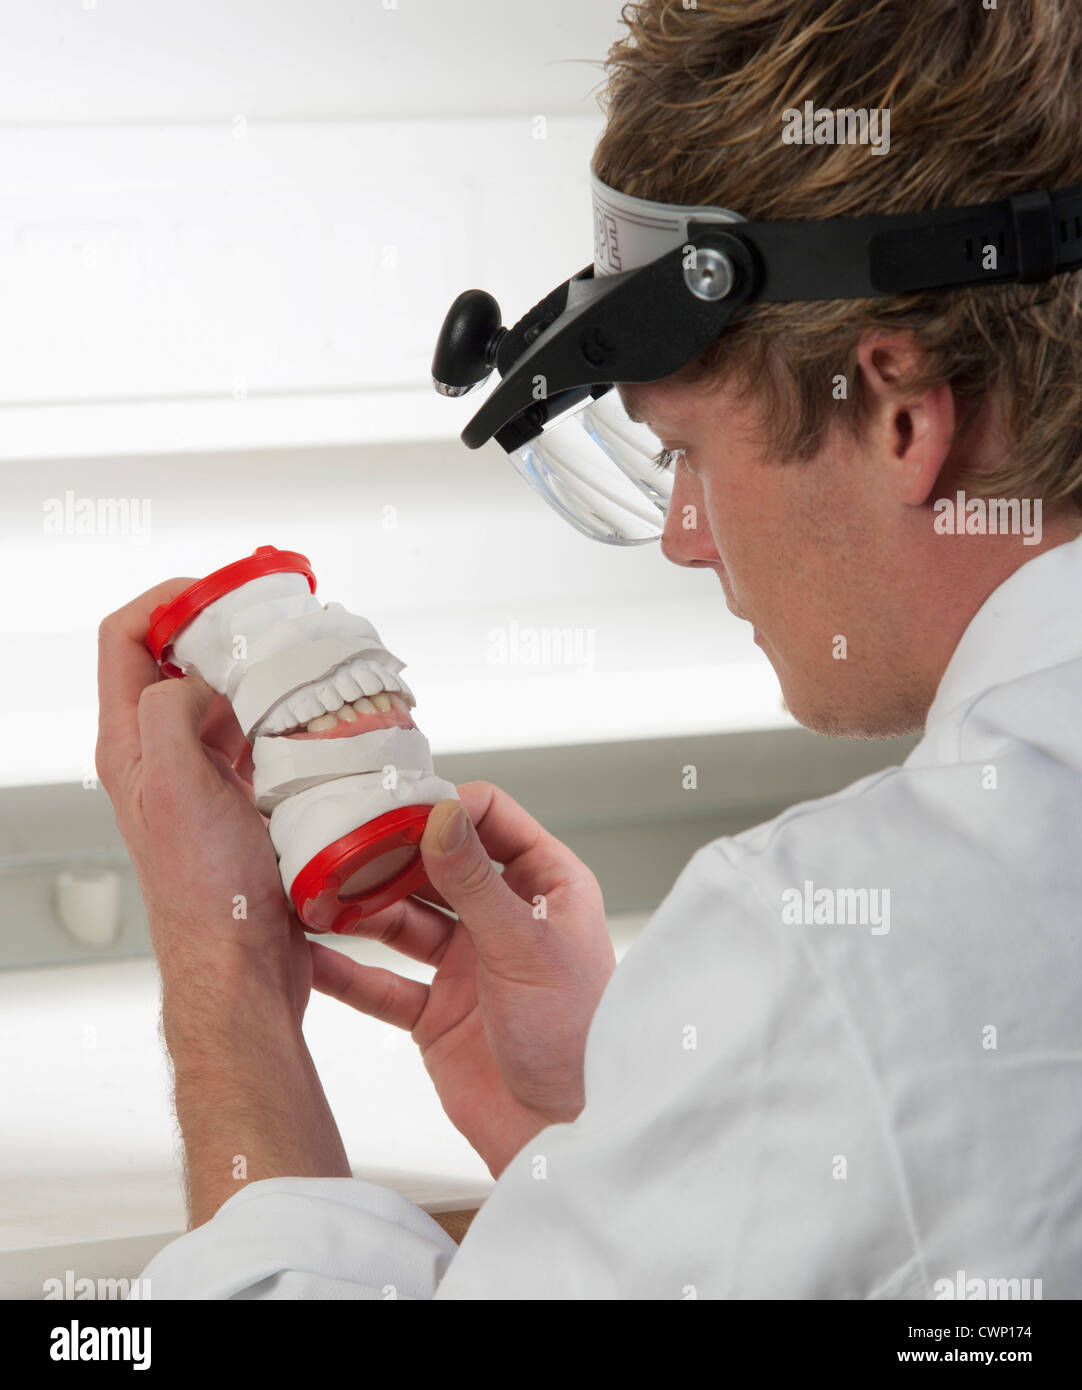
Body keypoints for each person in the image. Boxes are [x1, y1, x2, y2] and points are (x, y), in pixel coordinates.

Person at [96, 0, 1082, 1298]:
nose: (684, 536)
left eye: (685, 452)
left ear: (896, 410)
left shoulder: (841, 949)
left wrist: (223, 982)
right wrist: (627, 1126)